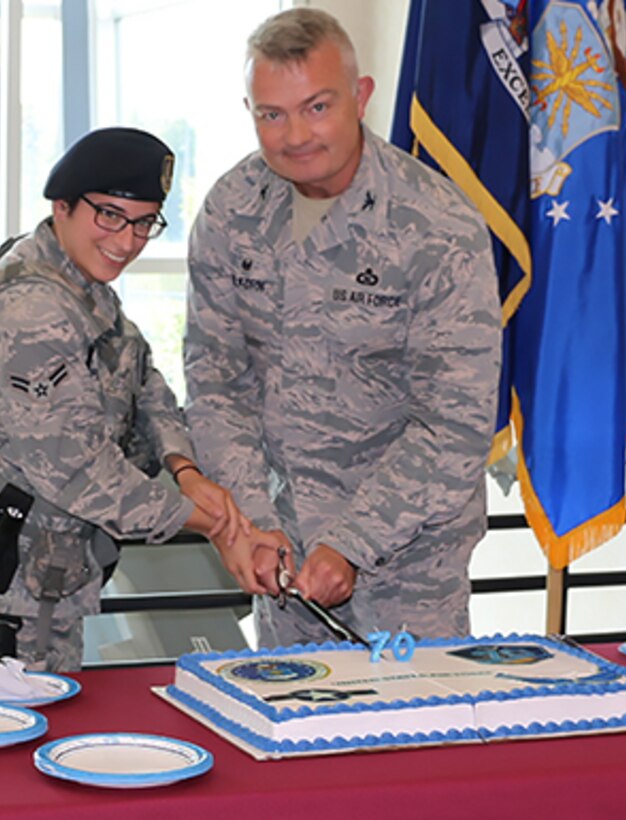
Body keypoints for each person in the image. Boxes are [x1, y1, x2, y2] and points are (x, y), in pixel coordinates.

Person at [0, 127, 280, 674]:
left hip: (38, 585)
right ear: (62, 206)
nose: (127, 241)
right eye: (109, 216)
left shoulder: (76, 277)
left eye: (145, 222)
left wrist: (186, 467)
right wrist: (209, 521)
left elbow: (142, 380)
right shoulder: (32, 313)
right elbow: (81, 473)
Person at [184, 9, 502, 648]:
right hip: (284, 556)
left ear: (360, 97)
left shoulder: (437, 226)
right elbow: (216, 381)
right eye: (271, 114)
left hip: (411, 562)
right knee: (291, 736)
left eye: (317, 107)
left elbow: (455, 423)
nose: (294, 134)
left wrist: (353, 543)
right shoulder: (231, 211)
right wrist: (251, 523)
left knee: (410, 737)